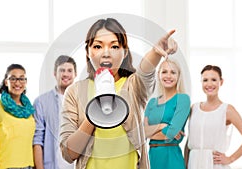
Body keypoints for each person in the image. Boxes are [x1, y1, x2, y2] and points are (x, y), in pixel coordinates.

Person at [59, 18, 178, 169]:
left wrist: (156, 52)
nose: (106, 53)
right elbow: (69, 153)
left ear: (125, 52)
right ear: (88, 52)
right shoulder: (75, 92)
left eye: (114, 46)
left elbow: (145, 72)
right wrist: (95, 114)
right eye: (97, 46)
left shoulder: (133, 86)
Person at [185, 65, 242, 169]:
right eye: (205, 80)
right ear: (201, 82)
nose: (209, 84)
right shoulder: (194, 108)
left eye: (214, 79)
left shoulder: (227, 110)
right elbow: (189, 141)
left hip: (215, 165)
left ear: (221, 82)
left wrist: (230, 158)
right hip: (193, 164)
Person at [0, 64, 35, 169]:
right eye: (13, 78)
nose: (17, 83)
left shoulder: (29, 110)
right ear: (6, 82)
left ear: (26, 82)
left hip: (29, 166)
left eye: (21, 79)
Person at [143, 57, 191, 169]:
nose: (168, 76)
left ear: (178, 76)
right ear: (158, 75)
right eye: (164, 72)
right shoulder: (151, 103)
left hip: (171, 158)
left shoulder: (182, 99)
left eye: (173, 72)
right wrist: (162, 126)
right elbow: (142, 133)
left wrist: (152, 132)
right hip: (152, 158)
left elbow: (169, 134)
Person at [33, 55, 77, 169]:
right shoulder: (41, 102)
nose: (66, 74)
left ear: (75, 74)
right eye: (62, 70)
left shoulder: (83, 101)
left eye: (69, 70)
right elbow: (38, 140)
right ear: (54, 73)